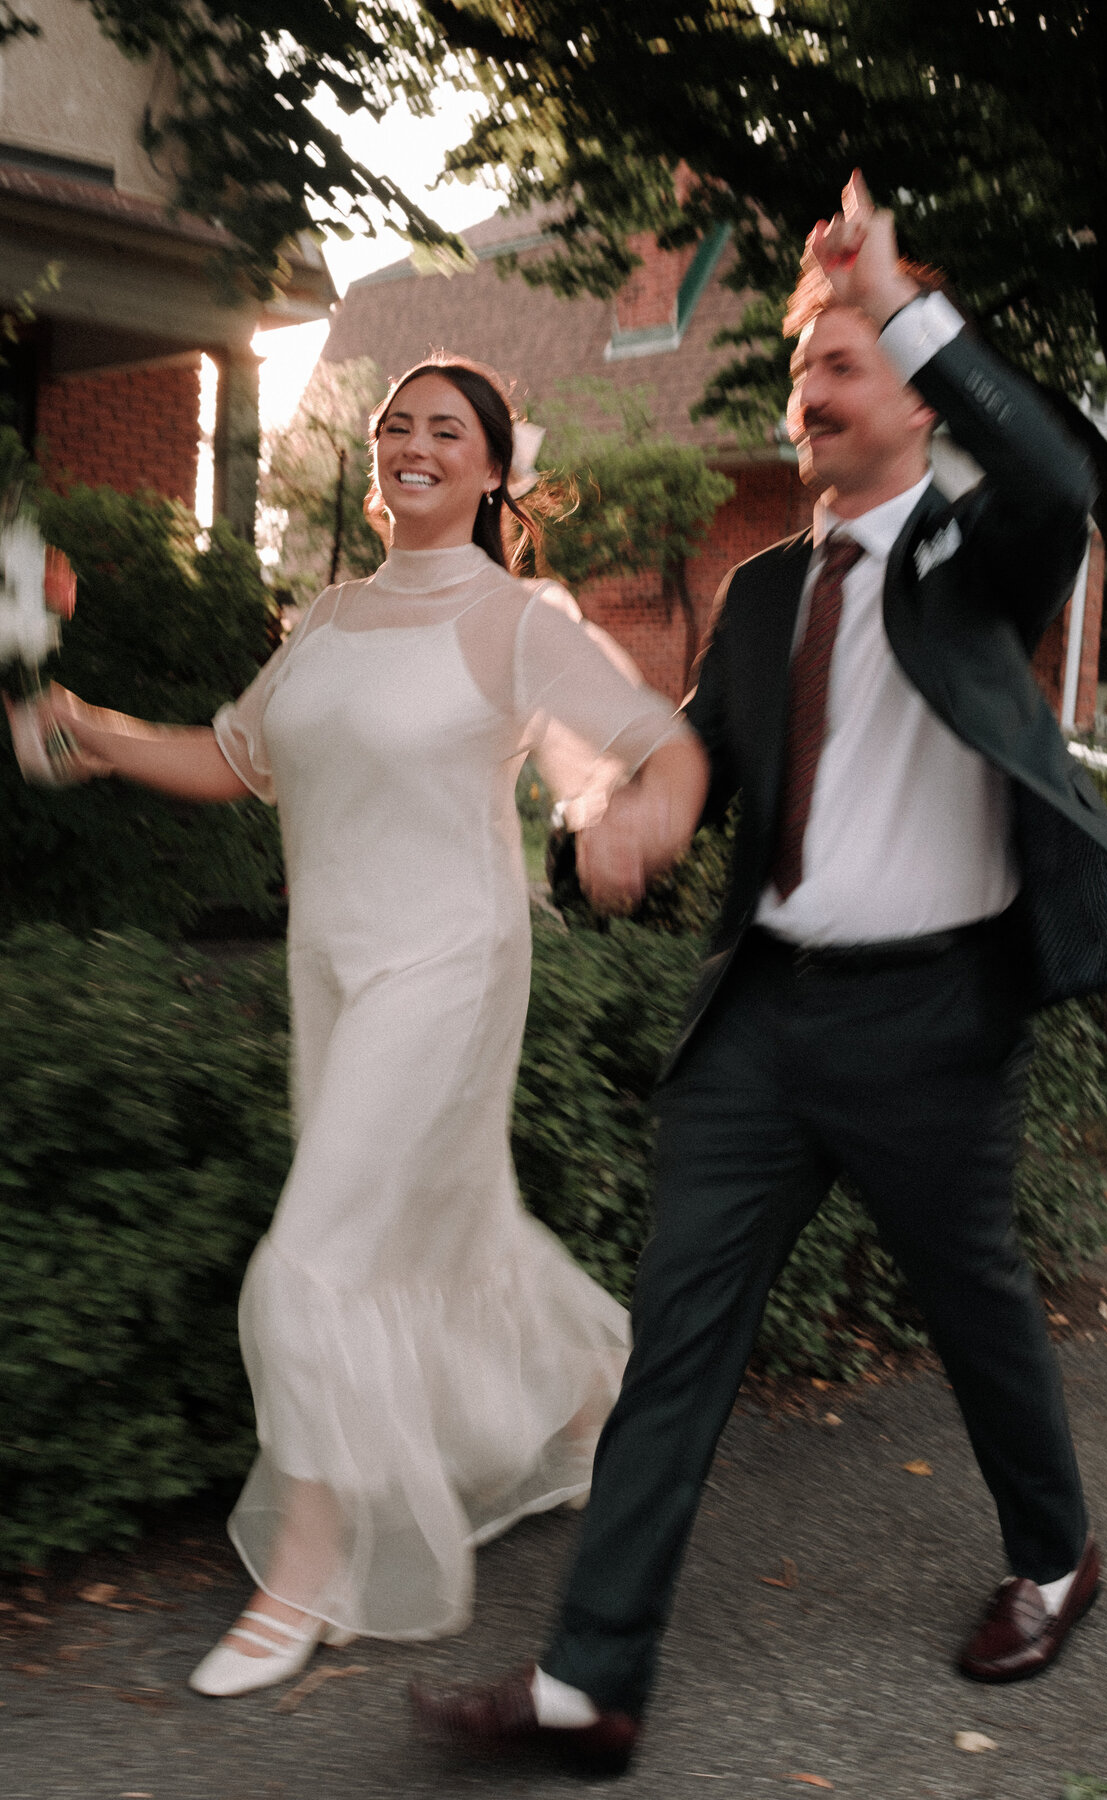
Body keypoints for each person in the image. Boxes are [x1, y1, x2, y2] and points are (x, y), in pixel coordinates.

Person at [409, 176, 1107, 1776]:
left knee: (979, 1313)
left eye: (842, 366)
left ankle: (1056, 1558)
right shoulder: (769, 590)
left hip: (931, 1016)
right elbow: (684, 765)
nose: (808, 392)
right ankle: (589, 1682)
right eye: (801, 371)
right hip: (767, 1016)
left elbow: (1058, 467)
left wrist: (896, 290)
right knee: (677, 1338)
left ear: (917, 392)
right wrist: (598, 833)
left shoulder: (988, 554)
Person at [11, 355, 708, 1697]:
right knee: (443, 1225)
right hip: (334, 968)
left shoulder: (518, 619)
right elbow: (234, 757)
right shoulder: (326, 619)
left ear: (494, 470)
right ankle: (586, 1397)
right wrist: (89, 727)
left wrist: (645, 813)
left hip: (449, 965)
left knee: (312, 1258)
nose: (411, 443)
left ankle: (307, 1575)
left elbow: (651, 743)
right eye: (394, 425)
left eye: (446, 429)